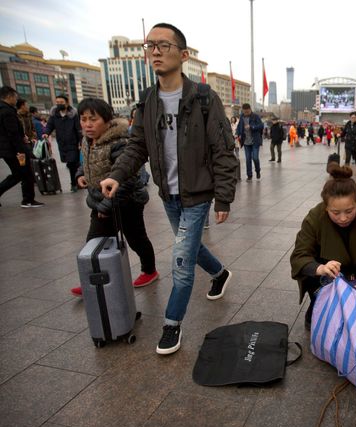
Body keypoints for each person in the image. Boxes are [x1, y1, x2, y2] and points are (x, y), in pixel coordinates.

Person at [99, 22, 239, 355]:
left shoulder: (204, 98)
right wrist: (117, 175)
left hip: (198, 195)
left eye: (164, 45)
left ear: (184, 54)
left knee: (180, 259)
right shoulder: (147, 100)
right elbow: (137, 146)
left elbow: (223, 149)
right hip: (169, 195)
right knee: (188, 246)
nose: (156, 51)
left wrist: (224, 197)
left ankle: (172, 324)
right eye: (150, 46)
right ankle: (219, 274)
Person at [290, 162, 356, 330]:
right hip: (329, 277)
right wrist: (321, 268)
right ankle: (318, 303)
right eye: (335, 213)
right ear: (326, 208)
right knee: (322, 322)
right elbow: (300, 255)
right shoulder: (315, 216)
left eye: (349, 211)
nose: (343, 218)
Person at [71, 98, 158, 296]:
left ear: (108, 120)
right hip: (100, 201)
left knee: (136, 239)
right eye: (83, 119)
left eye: (93, 119)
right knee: (93, 242)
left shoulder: (119, 143)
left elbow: (128, 180)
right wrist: (80, 175)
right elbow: (87, 163)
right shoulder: (87, 140)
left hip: (127, 202)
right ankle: (91, 281)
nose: (87, 124)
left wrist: (106, 207)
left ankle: (149, 270)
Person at [0, 86, 43, 208]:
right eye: (15, 97)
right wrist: (21, 150)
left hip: (8, 149)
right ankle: (28, 200)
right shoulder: (7, 111)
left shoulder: (4, 110)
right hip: (13, 150)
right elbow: (12, 134)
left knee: (20, 174)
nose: (16, 99)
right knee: (25, 173)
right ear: (9, 96)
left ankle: (28, 199)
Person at [43, 94, 82, 192]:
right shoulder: (54, 114)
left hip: (73, 143)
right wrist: (46, 133)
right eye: (57, 103)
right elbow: (49, 125)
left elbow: (78, 129)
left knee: (72, 163)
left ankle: (74, 184)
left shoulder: (73, 114)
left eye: (61, 102)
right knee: (70, 164)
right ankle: (78, 180)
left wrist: (81, 141)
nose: (59, 104)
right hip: (62, 143)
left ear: (67, 103)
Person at [236, 103, 263, 180]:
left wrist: (252, 126)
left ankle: (257, 171)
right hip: (246, 141)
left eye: (247, 112)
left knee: (255, 158)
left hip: (255, 140)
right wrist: (238, 134)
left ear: (250, 109)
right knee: (248, 159)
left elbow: (261, 125)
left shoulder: (255, 116)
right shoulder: (241, 117)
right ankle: (249, 175)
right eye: (244, 112)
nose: (246, 113)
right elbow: (239, 126)